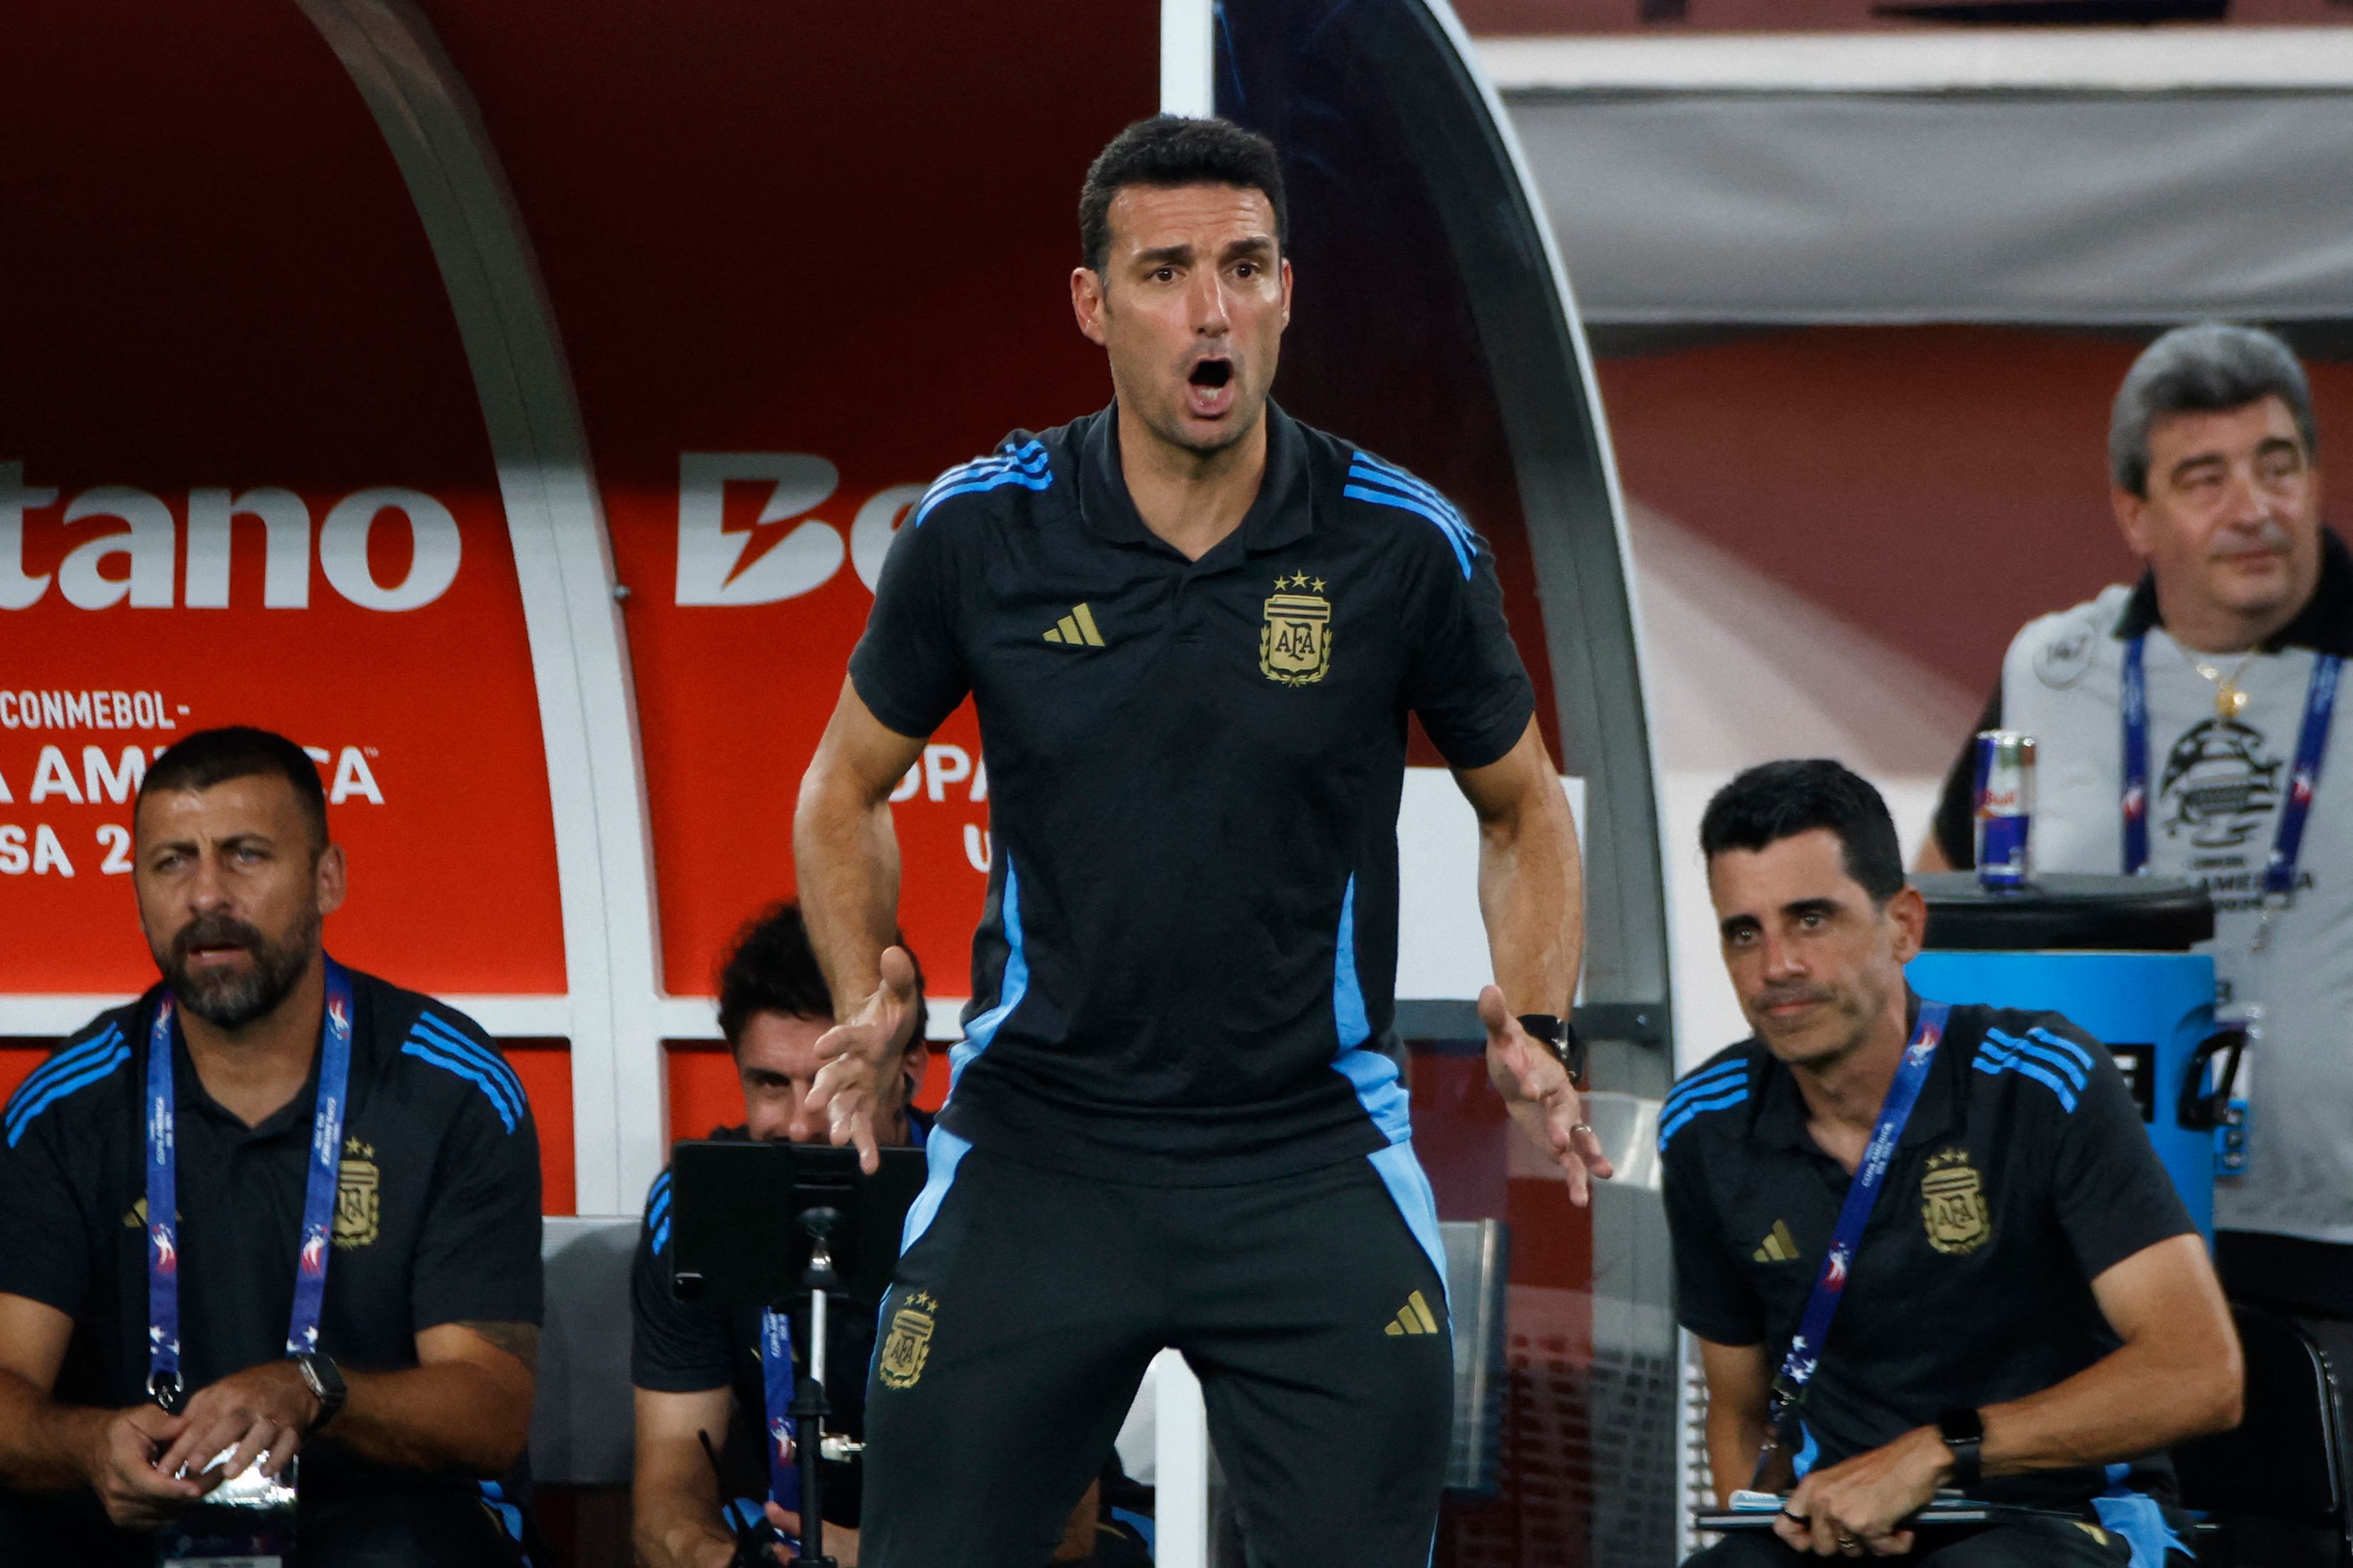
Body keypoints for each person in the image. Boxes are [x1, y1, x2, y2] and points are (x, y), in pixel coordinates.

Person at [792, 113, 1607, 1568]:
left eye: (1243, 266)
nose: (1211, 309)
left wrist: (1538, 1018)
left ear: (1286, 290)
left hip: (1309, 1150)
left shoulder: (1402, 542)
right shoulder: (981, 533)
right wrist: (869, 992)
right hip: (1037, 1145)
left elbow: (1523, 805)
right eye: (1165, 272)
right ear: (1093, 305)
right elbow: (840, 790)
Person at [1672, 759, 2240, 1564]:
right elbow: (1739, 1412)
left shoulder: (2040, 1080)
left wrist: (1937, 1452)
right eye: (1743, 932)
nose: (1775, 966)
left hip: (2061, 1517)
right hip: (1851, 1529)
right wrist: (1768, 1530)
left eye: (1811, 919)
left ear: (1904, 925)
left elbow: (2201, 1372)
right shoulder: (1704, 1123)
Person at [0, 726, 544, 1566]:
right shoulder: (65, 1106)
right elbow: (8, 1384)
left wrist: (312, 1388)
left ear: (328, 878)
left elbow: (489, 1409)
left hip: (369, 1509)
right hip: (140, 1514)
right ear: (137, 891)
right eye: (172, 862)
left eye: (245, 854)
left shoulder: (452, 1087)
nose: (206, 895)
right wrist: (87, 1444)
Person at [1918, 325, 2353, 1335]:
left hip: (2331, 1244)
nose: (2252, 508)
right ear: (2133, 514)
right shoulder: (2051, 670)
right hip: (2091, 1239)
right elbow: (1936, 909)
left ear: (2314, 479)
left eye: (2276, 466)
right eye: (2204, 479)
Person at [629, 903, 1149, 1568]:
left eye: (831, 1080)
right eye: (770, 1083)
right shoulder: (698, 1206)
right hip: (796, 1534)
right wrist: (730, 1562)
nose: (800, 1124)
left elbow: (1061, 1525)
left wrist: (874, 1559)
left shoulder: (998, 1206)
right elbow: (667, 1495)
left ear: (910, 1068)